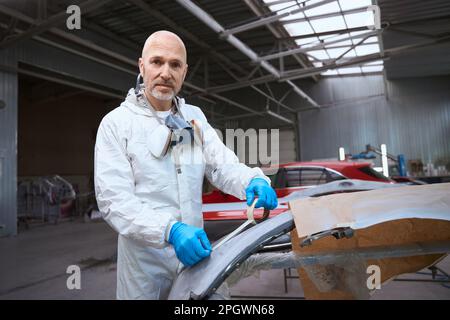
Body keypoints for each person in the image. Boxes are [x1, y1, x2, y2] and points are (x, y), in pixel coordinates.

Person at [94, 30, 278, 300]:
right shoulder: (117, 123)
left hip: (196, 256)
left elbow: (221, 165)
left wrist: (253, 180)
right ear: (142, 66)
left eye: (175, 64)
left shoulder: (194, 118)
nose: (166, 72)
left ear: (185, 72)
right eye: (157, 62)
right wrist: (170, 230)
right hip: (144, 266)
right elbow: (114, 200)